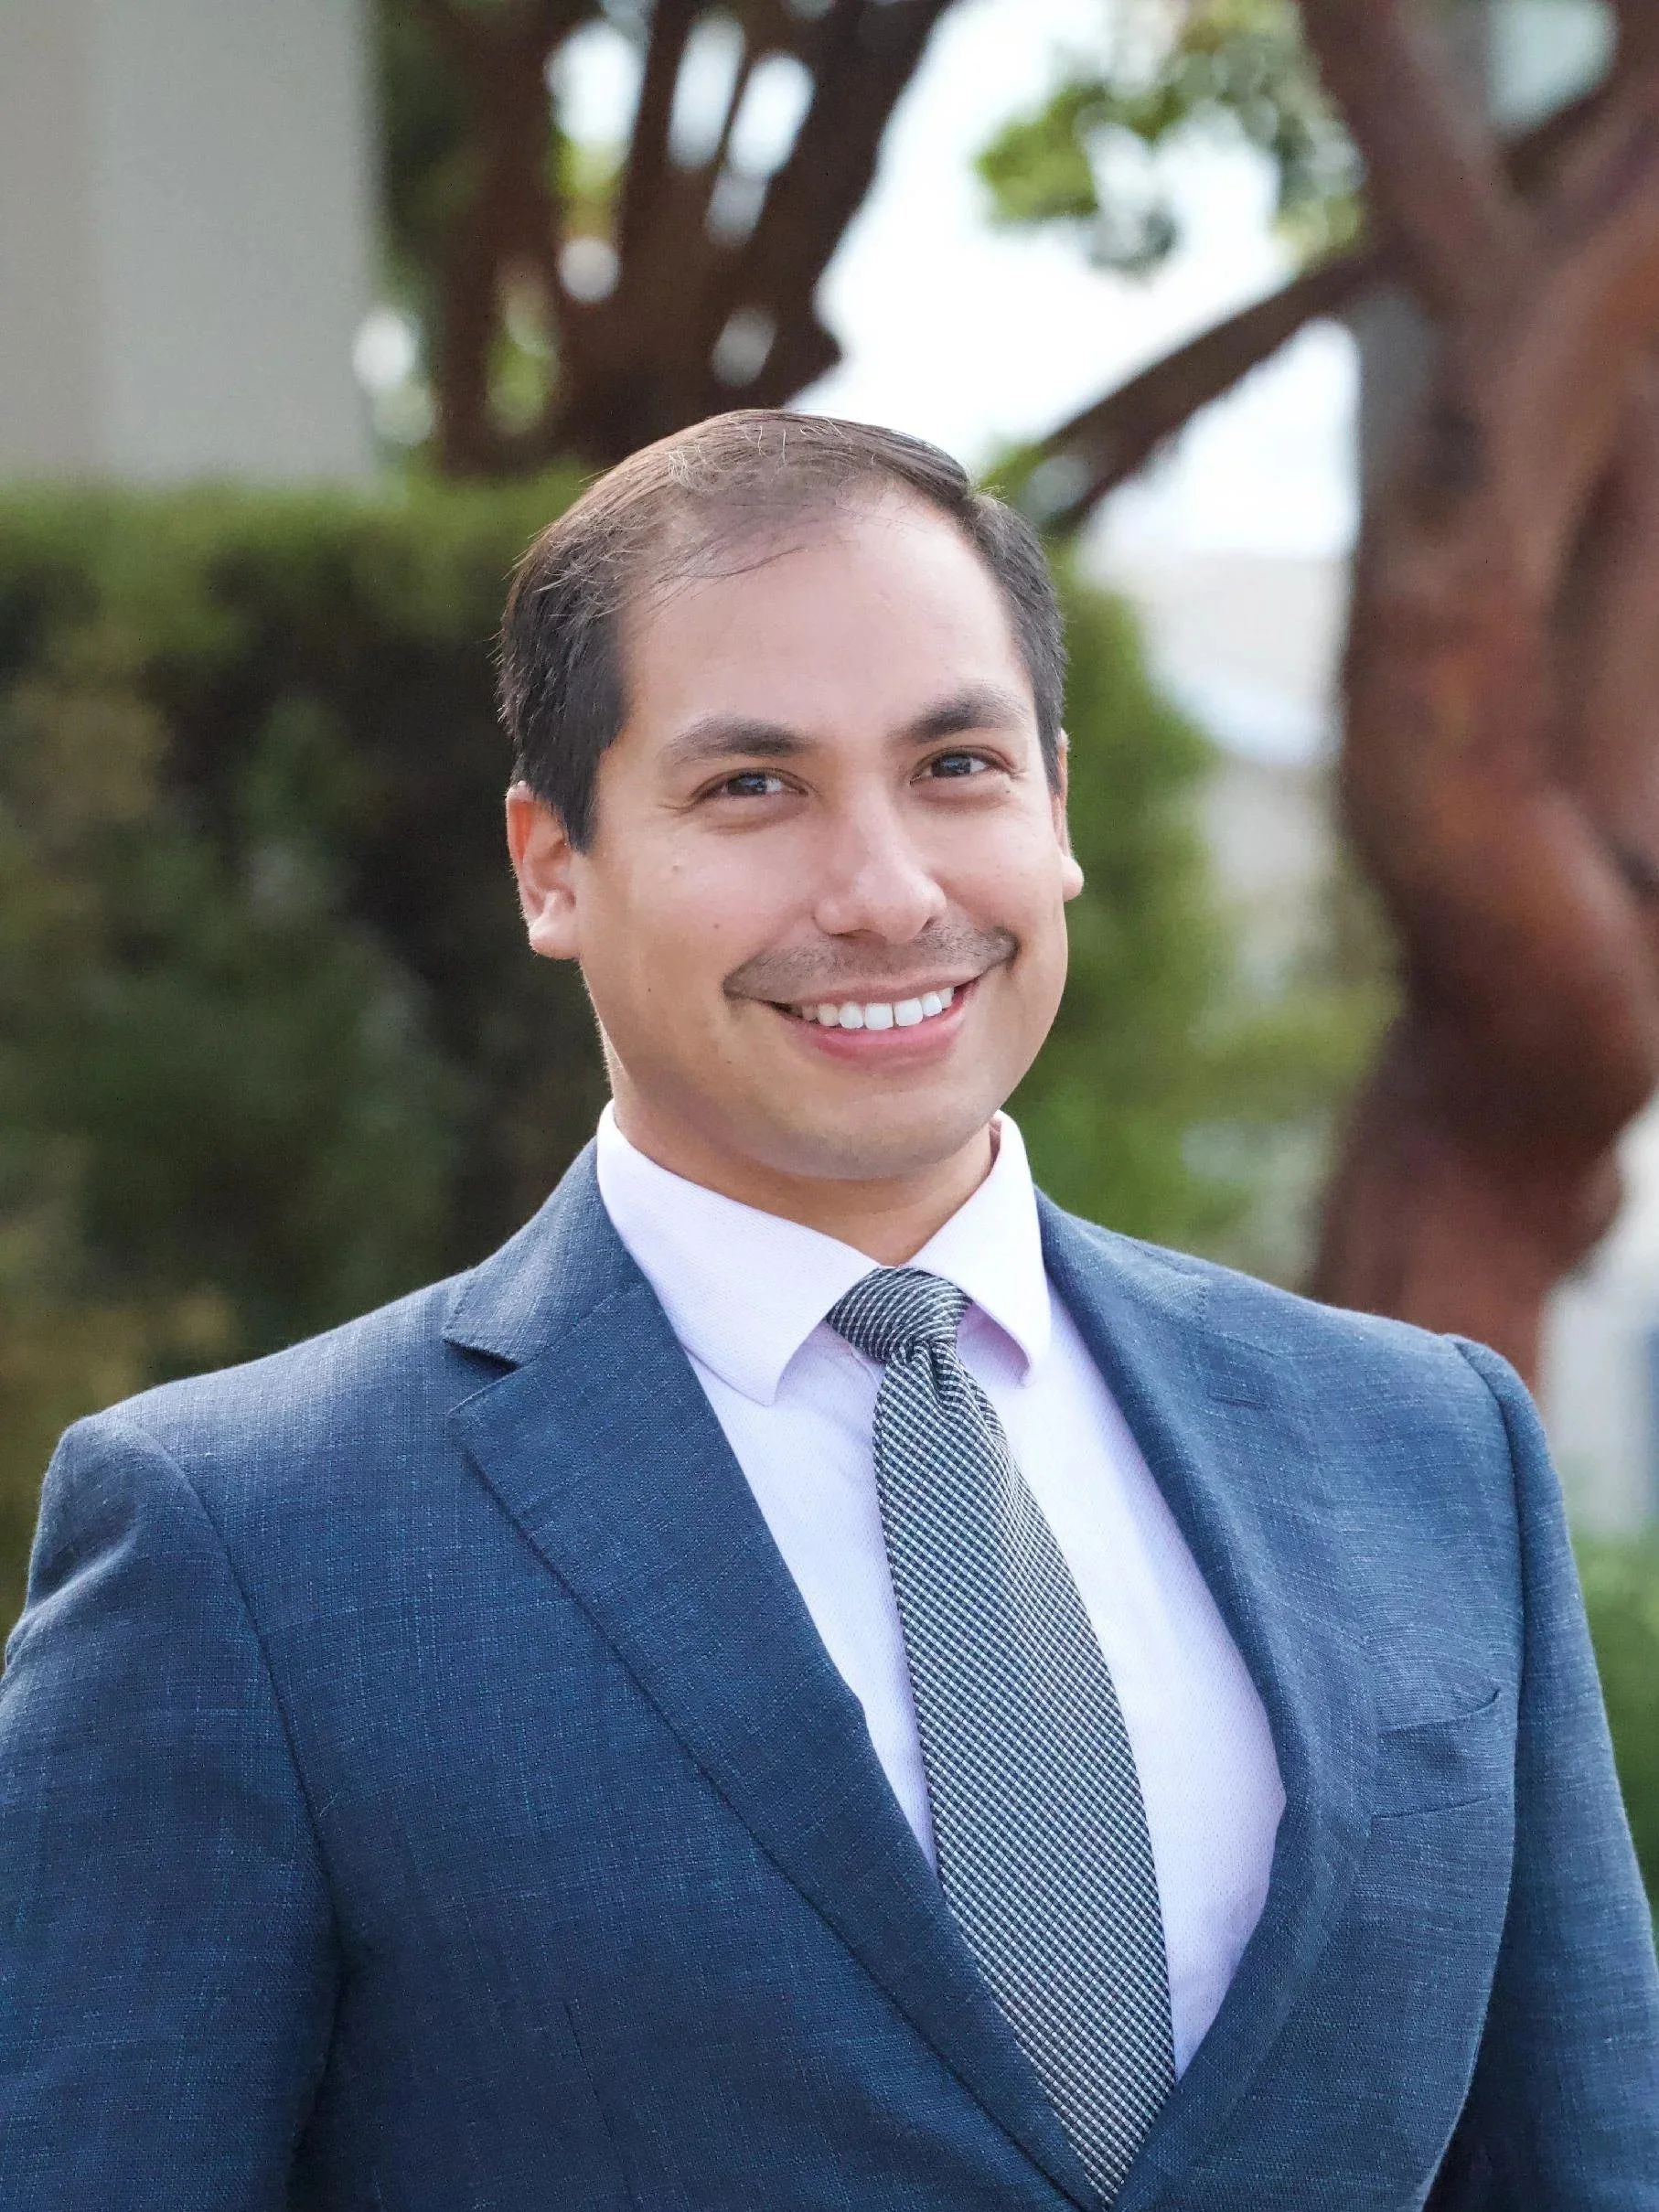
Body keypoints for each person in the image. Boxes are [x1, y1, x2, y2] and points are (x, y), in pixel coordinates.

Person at [1, 411, 1654, 2212]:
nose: (884, 893)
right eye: (752, 786)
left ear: (1056, 807)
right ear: (551, 863)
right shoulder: (247, 1547)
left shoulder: (1423, 1447)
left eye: (955, 764)